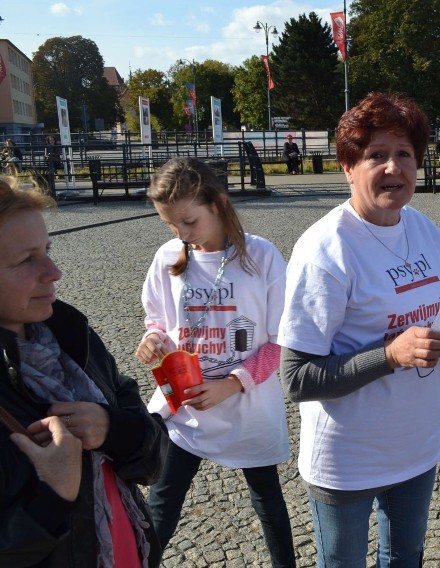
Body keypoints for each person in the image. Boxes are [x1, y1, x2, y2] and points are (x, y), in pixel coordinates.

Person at [278, 92, 440, 567]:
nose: (393, 167)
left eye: (404, 154)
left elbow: (439, 312)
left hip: (417, 446)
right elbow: (296, 378)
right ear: (348, 166)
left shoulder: (428, 232)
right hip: (348, 459)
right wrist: (390, 355)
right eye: (376, 155)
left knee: (405, 560)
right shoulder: (325, 249)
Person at [136, 158, 296, 568]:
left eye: (189, 222)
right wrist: (153, 339)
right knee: (161, 508)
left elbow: (280, 342)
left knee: (269, 506)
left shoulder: (261, 257)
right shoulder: (168, 256)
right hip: (183, 410)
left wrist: (232, 384)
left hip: (247, 408)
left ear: (220, 205)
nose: (182, 235)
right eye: (172, 226)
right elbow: (158, 318)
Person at [0, 178, 168, 566]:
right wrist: (54, 494)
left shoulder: (72, 337)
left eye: (48, 250)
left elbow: (155, 452)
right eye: (27, 259)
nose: (54, 271)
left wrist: (112, 428)